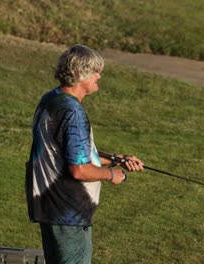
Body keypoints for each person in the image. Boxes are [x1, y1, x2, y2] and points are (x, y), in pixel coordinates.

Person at [25, 44, 144, 264]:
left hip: (51, 207)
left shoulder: (52, 99)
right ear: (79, 74)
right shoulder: (73, 112)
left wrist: (119, 159)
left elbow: (74, 152)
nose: (99, 75)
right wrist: (112, 174)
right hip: (67, 211)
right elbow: (79, 169)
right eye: (94, 71)